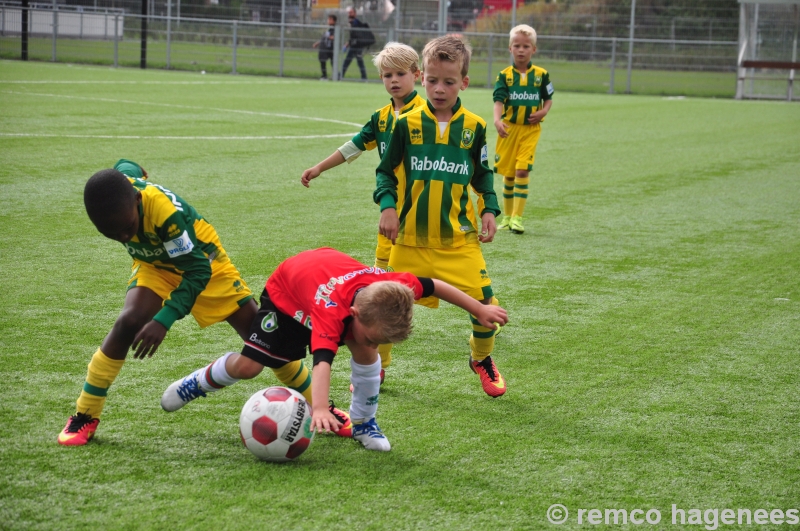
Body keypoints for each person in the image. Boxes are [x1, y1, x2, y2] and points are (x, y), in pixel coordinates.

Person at [57, 161, 336, 446]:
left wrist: (163, 320)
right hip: (155, 264)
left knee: (267, 342)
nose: (124, 237)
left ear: (138, 200)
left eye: (128, 227)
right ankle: (86, 414)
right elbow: (123, 170)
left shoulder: (165, 214)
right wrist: (132, 167)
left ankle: (323, 406)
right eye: (111, 233)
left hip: (204, 263)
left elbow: (197, 272)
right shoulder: (122, 191)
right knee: (127, 322)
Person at [161, 247, 508, 452]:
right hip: (287, 297)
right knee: (250, 367)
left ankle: (364, 423)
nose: (374, 344)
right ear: (353, 315)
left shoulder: (394, 287)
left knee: (364, 354)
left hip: (327, 276)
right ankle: (199, 381)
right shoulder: (332, 313)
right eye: (373, 336)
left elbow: (436, 285)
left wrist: (478, 309)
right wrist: (320, 408)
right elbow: (322, 362)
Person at [374, 35, 508, 398]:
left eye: (449, 81)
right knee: (384, 309)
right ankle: (377, 369)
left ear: (463, 82)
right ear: (422, 78)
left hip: (457, 241)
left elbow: (483, 177)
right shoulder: (406, 123)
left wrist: (490, 211)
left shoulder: (474, 127)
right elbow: (385, 172)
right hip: (409, 240)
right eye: (432, 80)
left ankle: (481, 358)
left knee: (486, 308)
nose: (439, 88)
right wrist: (388, 206)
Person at [301, 42, 425, 386]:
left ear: (418, 76)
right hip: (390, 216)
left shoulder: (428, 117)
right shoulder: (383, 117)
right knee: (381, 291)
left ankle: (484, 310)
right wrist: (319, 167)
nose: (394, 81)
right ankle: (378, 366)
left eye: (401, 74)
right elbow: (354, 146)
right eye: (387, 75)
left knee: (452, 285)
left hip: (426, 219)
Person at [492, 24, 554, 235]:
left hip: (530, 130)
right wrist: (497, 120)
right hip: (509, 129)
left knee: (522, 170)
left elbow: (548, 99)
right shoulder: (504, 76)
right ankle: (508, 217)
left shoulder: (542, 75)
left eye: (526, 46)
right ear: (510, 48)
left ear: (533, 49)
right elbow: (498, 101)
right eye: (517, 45)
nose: (521, 50)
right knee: (509, 175)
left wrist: (543, 112)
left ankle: (518, 217)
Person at [341, 7, 368, 81]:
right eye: (349, 13)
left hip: (358, 46)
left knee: (357, 61)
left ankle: (364, 78)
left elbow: (355, 35)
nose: (349, 14)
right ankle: (341, 75)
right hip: (354, 45)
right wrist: (347, 44)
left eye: (351, 12)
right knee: (349, 61)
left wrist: (347, 44)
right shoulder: (352, 23)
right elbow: (352, 36)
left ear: (355, 14)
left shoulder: (355, 23)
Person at [313, 14, 337, 80]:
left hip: (331, 48)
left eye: (330, 19)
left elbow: (334, 37)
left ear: (334, 21)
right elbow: (324, 38)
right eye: (328, 19)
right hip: (325, 48)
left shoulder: (335, 29)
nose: (328, 21)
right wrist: (317, 43)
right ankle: (324, 76)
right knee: (322, 61)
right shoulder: (328, 28)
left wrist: (330, 37)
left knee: (333, 63)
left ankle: (336, 76)